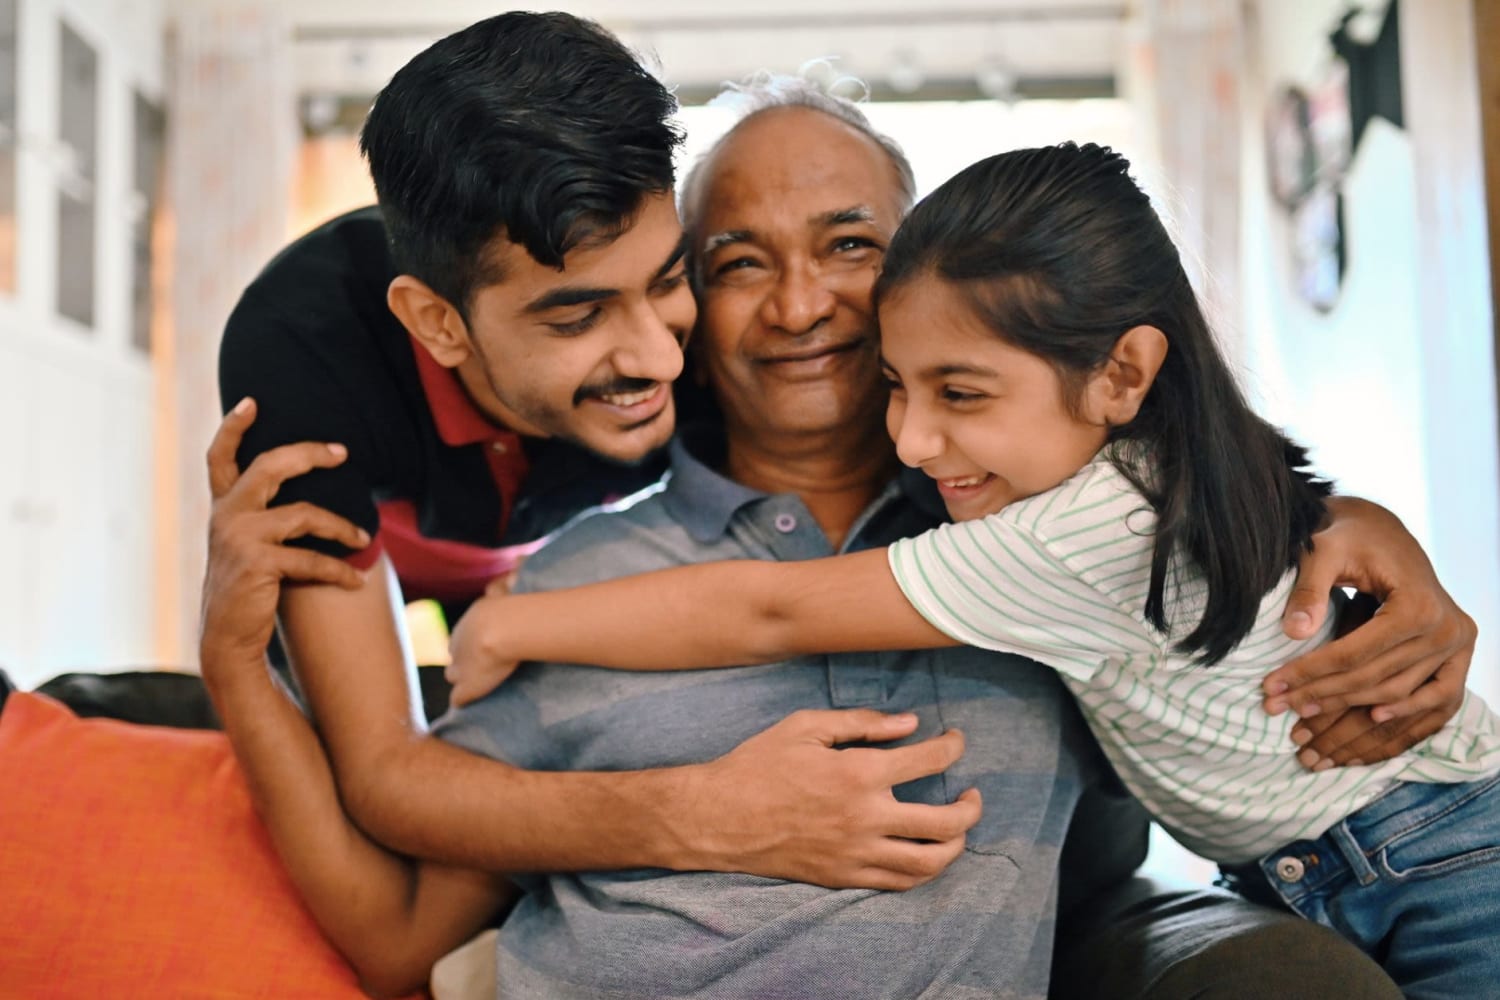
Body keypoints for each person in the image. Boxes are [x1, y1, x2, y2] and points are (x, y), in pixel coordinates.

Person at [208, 75, 1458, 996]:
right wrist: (232, 669)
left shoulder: (1043, 544)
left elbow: (1198, 497)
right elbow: (395, 930)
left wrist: (1358, 526)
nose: (801, 305)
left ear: (924, 265)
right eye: (739, 261)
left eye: (851, 246)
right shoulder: (585, 575)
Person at [204, 11, 983, 892]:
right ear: (436, 324)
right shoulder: (307, 356)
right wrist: (708, 816)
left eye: (668, 280)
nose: (660, 359)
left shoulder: (735, 334)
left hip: (535, 563)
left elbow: (783, 590)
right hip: (398, 547)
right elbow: (387, 774)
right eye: (578, 316)